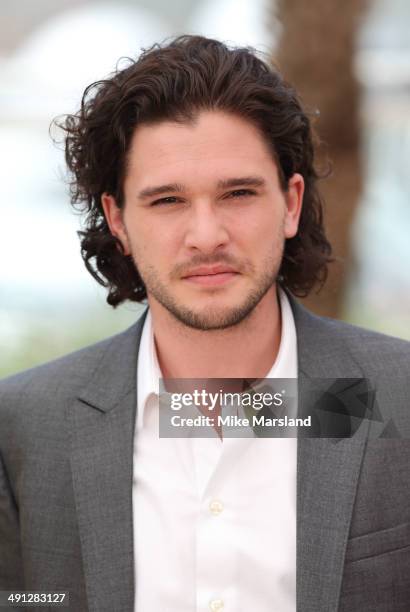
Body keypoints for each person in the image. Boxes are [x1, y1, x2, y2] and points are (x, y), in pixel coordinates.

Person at [0, 35, 409, 612]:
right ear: (117, 218)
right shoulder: (21, 429)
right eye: (167, 201)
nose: (207, 235)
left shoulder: (399, 397)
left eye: (238, 193)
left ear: (291, 203)